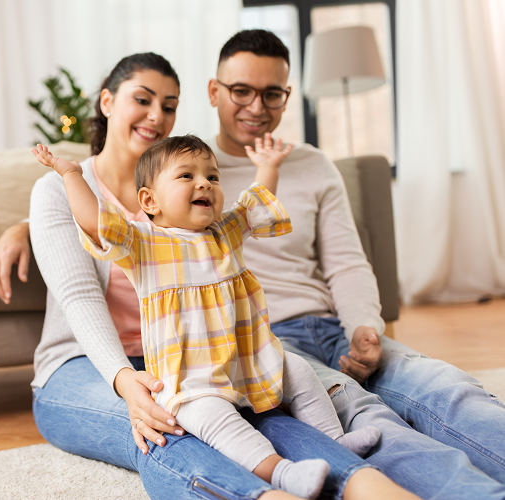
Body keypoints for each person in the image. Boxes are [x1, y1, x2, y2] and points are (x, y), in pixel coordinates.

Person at [0, 52, 420, 500]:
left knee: (270, 411)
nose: (157, 115)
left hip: (192, 359)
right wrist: (122, 379)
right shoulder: (67, 193)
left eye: (169, 105)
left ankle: (360, 484)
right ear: (108, 102)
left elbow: (252, 206)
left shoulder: (192, 209)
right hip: (87, 366)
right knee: (167, 427)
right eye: (143, 99)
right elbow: (80, 296)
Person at [203, 29, 505, 499]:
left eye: (272, 93)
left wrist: (363, 325)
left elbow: (346, 262)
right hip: (267, 343)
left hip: (332, 326)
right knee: (362, 414)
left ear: (287, 96)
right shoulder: (189, 172)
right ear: (214, 91)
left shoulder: (314, 164)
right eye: (241, 91)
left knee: (446, 386)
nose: (257, 107)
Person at [31, 133, 382, 499]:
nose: (204, 183)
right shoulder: (143, 244)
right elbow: (95, 222)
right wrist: (71, 174)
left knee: (300, 372)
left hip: (245, 363)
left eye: (212, 177)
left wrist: (268, 166)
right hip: (190, 382)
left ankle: (337, 442)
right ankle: (281, 474)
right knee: (220, 423)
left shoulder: (224, 233)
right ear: (150, 200)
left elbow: (255, 204)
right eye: (187, 176)